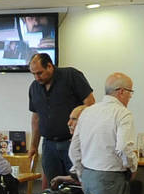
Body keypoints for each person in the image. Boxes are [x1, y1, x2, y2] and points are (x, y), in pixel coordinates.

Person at [69, 73, 138, 194]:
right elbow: (123, 147)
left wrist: (81, 174)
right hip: (111, 179)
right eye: (130, 92)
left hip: (88, 177)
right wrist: (132, 166)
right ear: (121, 92)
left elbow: (74, 149)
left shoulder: (88, 112)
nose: (130, 97)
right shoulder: (122, 113)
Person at [27, 52, 95, 184]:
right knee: (53, 185)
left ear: (49, 66)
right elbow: (36, 118)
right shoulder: (34, 88)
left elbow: (90, 104)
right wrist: (33, 145)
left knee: (77, 183)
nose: (36, 78)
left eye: (39, 73)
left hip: (72, 143)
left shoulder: (71, 76)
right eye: (33, 74)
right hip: (48, 146)